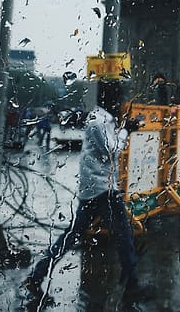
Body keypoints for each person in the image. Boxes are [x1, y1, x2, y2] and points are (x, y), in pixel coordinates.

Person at [25, 86, 153, 304]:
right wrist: (127, 131)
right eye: (119, 97)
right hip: (102, 189)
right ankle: (132, 284)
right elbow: (111, 151)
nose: (122, 102)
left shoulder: (104, 119)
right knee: (123, 235)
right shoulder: (98, 121)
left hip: (95, 188)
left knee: (73, 234)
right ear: (110, 99)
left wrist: (123, 128)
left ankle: (36, 276)